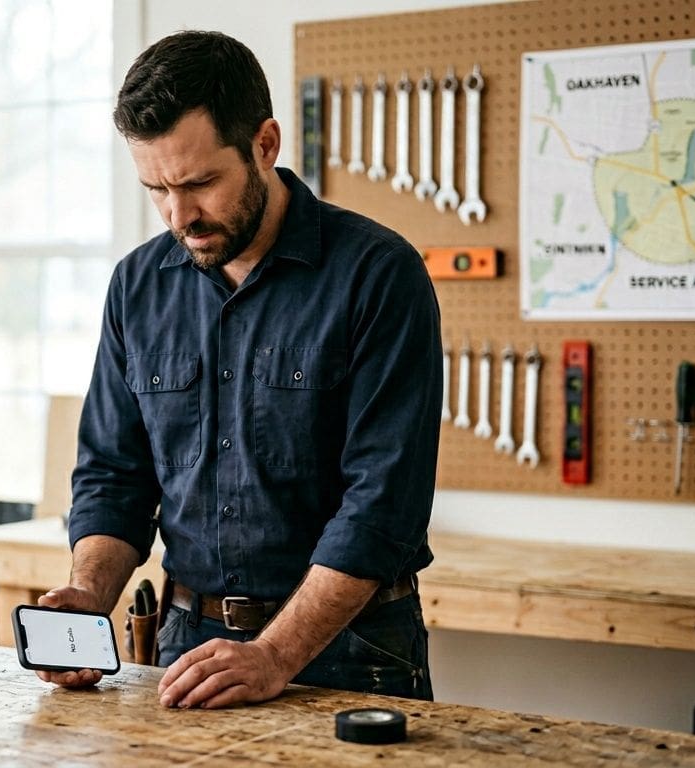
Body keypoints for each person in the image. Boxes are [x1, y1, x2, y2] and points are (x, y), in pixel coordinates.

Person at [36, 30, 442, 708]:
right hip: (186, 644)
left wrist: (274, 655)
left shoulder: (379, 276)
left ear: (265, 144)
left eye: (199, 183)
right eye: (156, 188)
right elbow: (113, 475)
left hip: (351, 652)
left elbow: (382, 507)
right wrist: (89, 594)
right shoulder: (137, 287)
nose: (179, 215)